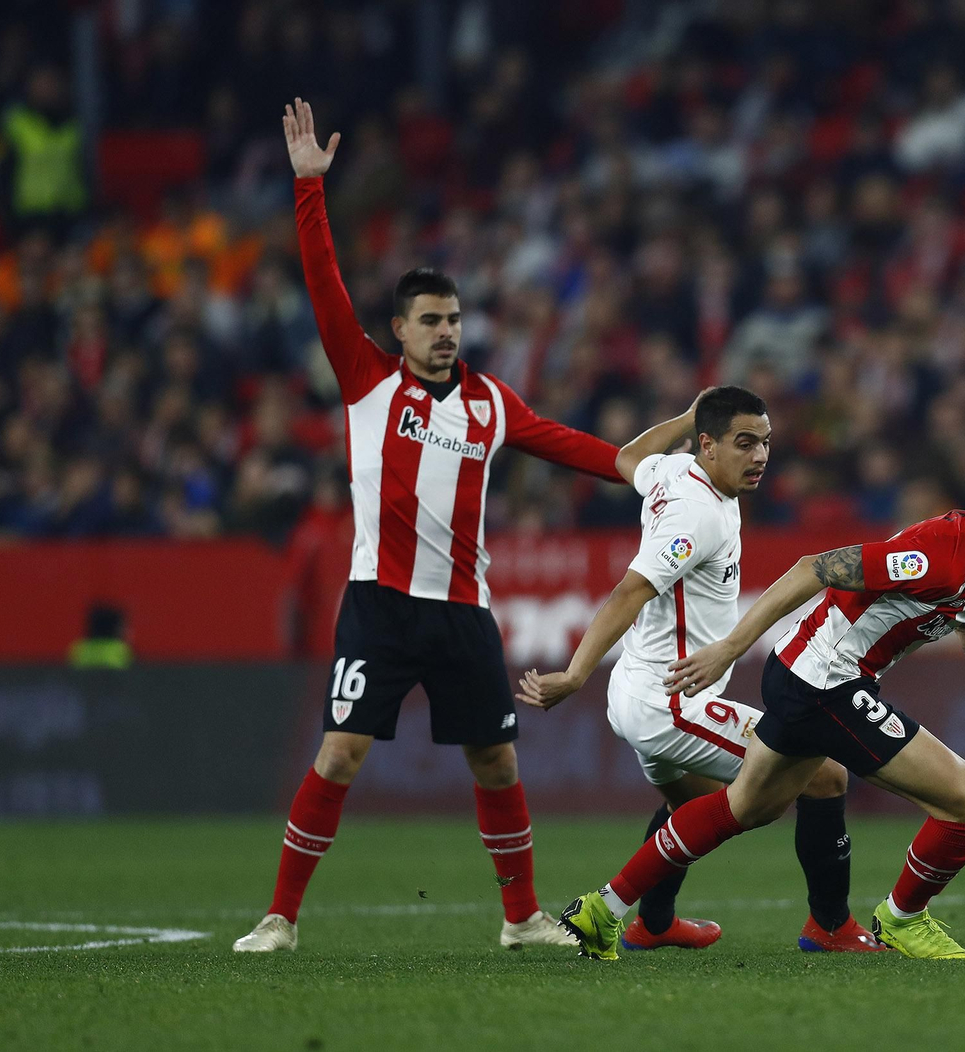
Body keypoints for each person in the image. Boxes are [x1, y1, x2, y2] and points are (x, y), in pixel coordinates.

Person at [235, 99, 626, 953]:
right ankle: (280, 918)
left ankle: (520, 918)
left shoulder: (491, 401)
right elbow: (323, 284)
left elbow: (573, 447)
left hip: (461, 613)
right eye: (431, 322)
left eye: (455, 321)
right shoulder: (366, 380)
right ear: (398, 331)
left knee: (497, 764)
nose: (447, 334)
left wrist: (646, 468)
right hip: (379, 605)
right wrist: (309, 190)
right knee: (340, 754)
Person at [560, 457, 965, 960]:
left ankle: (603, 909)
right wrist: (730, 648)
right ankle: (903, 917)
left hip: (803, 676)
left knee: (744, 806)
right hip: (825, 681)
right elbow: (814, 568)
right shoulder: (945, 555)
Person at [517, 386, 886, 953]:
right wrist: (573, 673)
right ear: (709, 446)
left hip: (641, 688)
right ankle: (830, 926)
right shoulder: (696, 517)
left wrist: (687, 417)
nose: (760, 456)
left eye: (765, 442)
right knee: (823, 773)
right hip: (669, 698)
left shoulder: (672, 470)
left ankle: (654, 923)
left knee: (689, 806)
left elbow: (625, 460)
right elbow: (629, 592)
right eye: (745, 443)